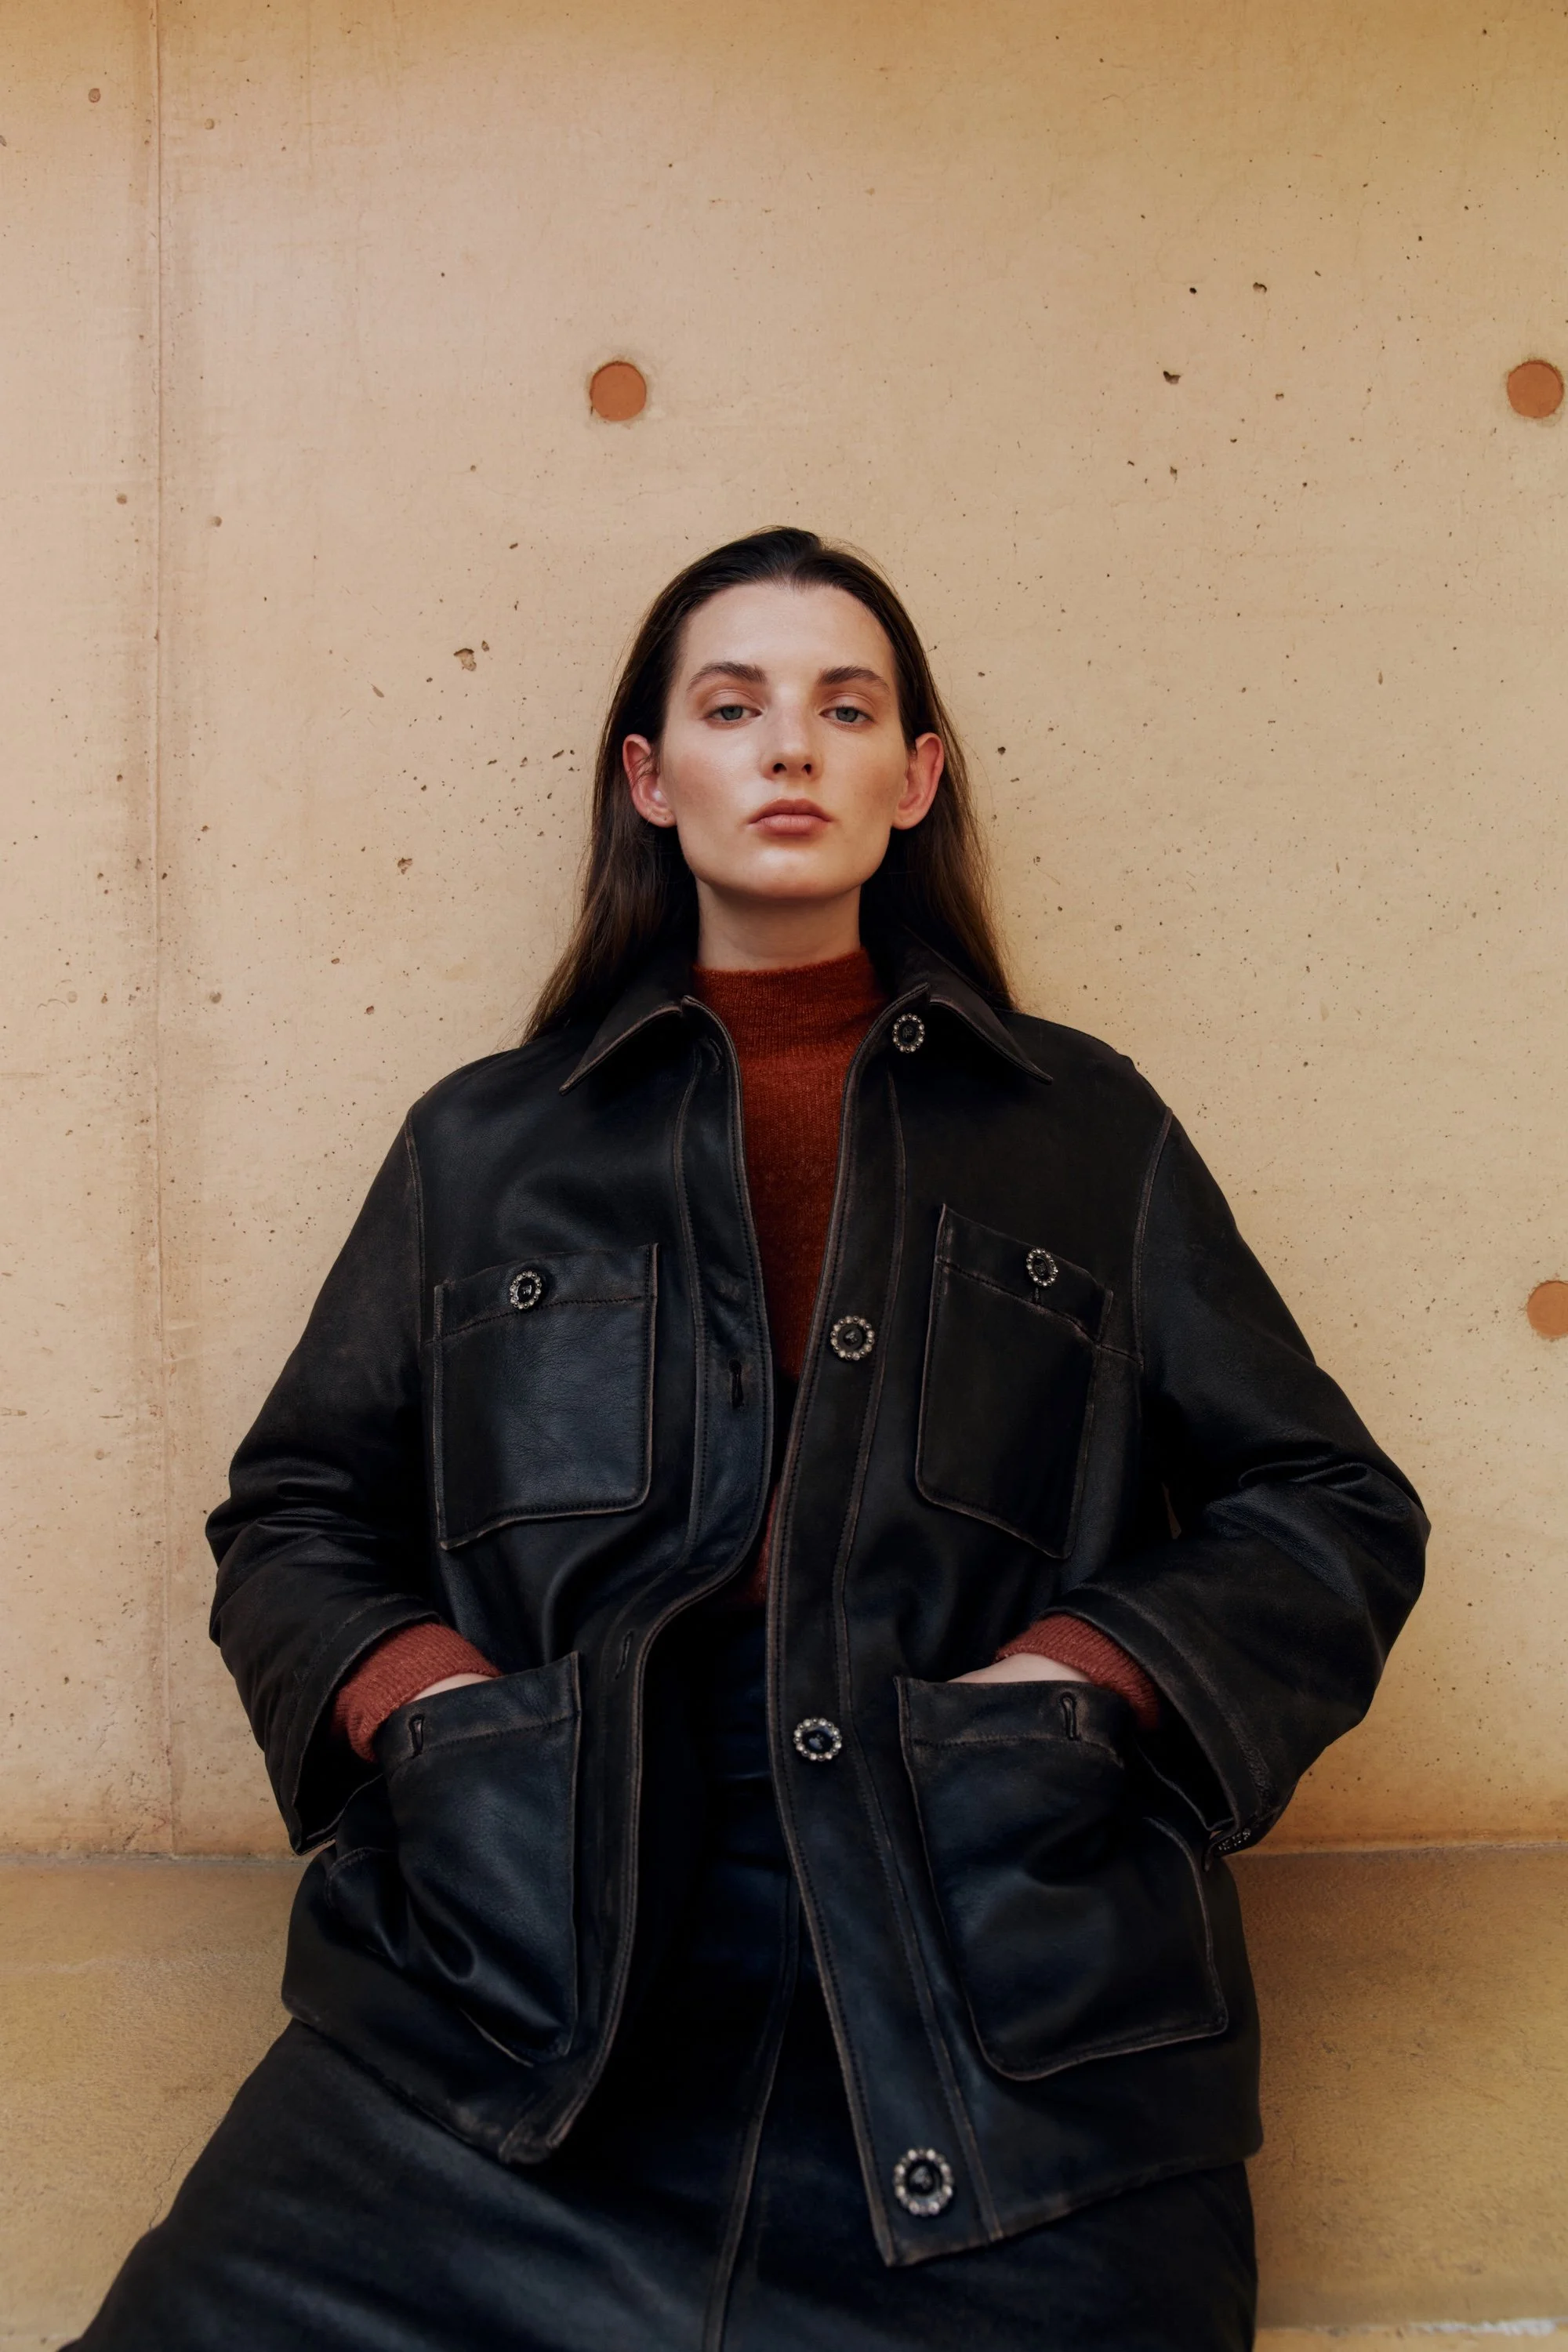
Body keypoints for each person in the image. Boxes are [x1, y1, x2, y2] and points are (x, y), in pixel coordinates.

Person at [74, 528, 1426, 2352]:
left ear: (913, 777)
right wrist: (439, 1716)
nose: (790, 745)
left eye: (844, 708)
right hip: (514, 1969)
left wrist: (1076, 1683)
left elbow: (1327, 1506)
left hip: (996, 1982)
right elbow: (298, 1511)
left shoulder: (1081, 1130)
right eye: (732, 706)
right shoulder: (486, 1145)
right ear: (650, 779)